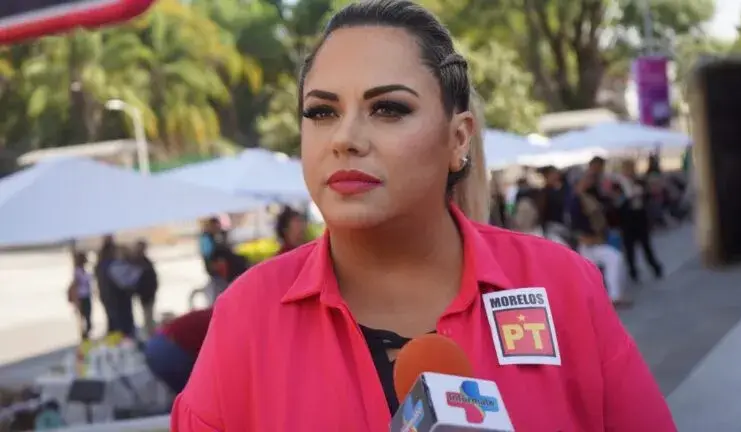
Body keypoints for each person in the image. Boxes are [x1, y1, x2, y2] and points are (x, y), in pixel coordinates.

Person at [172, 1, 674, 431]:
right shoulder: (248, 317)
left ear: (458, 138)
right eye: (321, 112)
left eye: (388, 108)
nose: (345, 137)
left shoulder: (562, 286)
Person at [569, 172, 629, 306]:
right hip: (585, 242)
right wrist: (582, 237)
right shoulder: (575, 200)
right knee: (610, 260)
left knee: (613, 259)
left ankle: (613, 296)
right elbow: (574, 223)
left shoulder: (588, 195)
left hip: (594, 240)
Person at [145, 308, 213, 394]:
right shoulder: (222, 319)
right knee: (195, 395)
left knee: (187, 396)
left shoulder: (217, 313)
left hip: (156, 344)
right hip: (169, 349)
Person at [617, 160, 663, 282]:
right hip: (627, 219)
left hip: (640, 217)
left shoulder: (639, 181)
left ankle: (655, 267)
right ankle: (633, 272)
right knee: (629, 248)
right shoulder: (619, 184)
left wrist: (643, 192)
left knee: (646, 245)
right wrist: (627, 198)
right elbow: (616, 203)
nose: (629, 172)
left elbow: (648, 196)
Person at [134, 240, 159, 336]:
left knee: (149, 314)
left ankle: (150, 332)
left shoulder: (143, 260)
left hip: (149, 291)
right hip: (145, 292)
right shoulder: (140, 262)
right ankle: (150, 333)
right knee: (148, 314)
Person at [67, 252, 92, 340]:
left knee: (88, 318)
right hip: (81, 297)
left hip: (86, 295)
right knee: (83, 318)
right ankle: (85, 336)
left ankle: (86, 335)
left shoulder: (83, 270)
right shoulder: (77, 272)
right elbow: (76, 285)